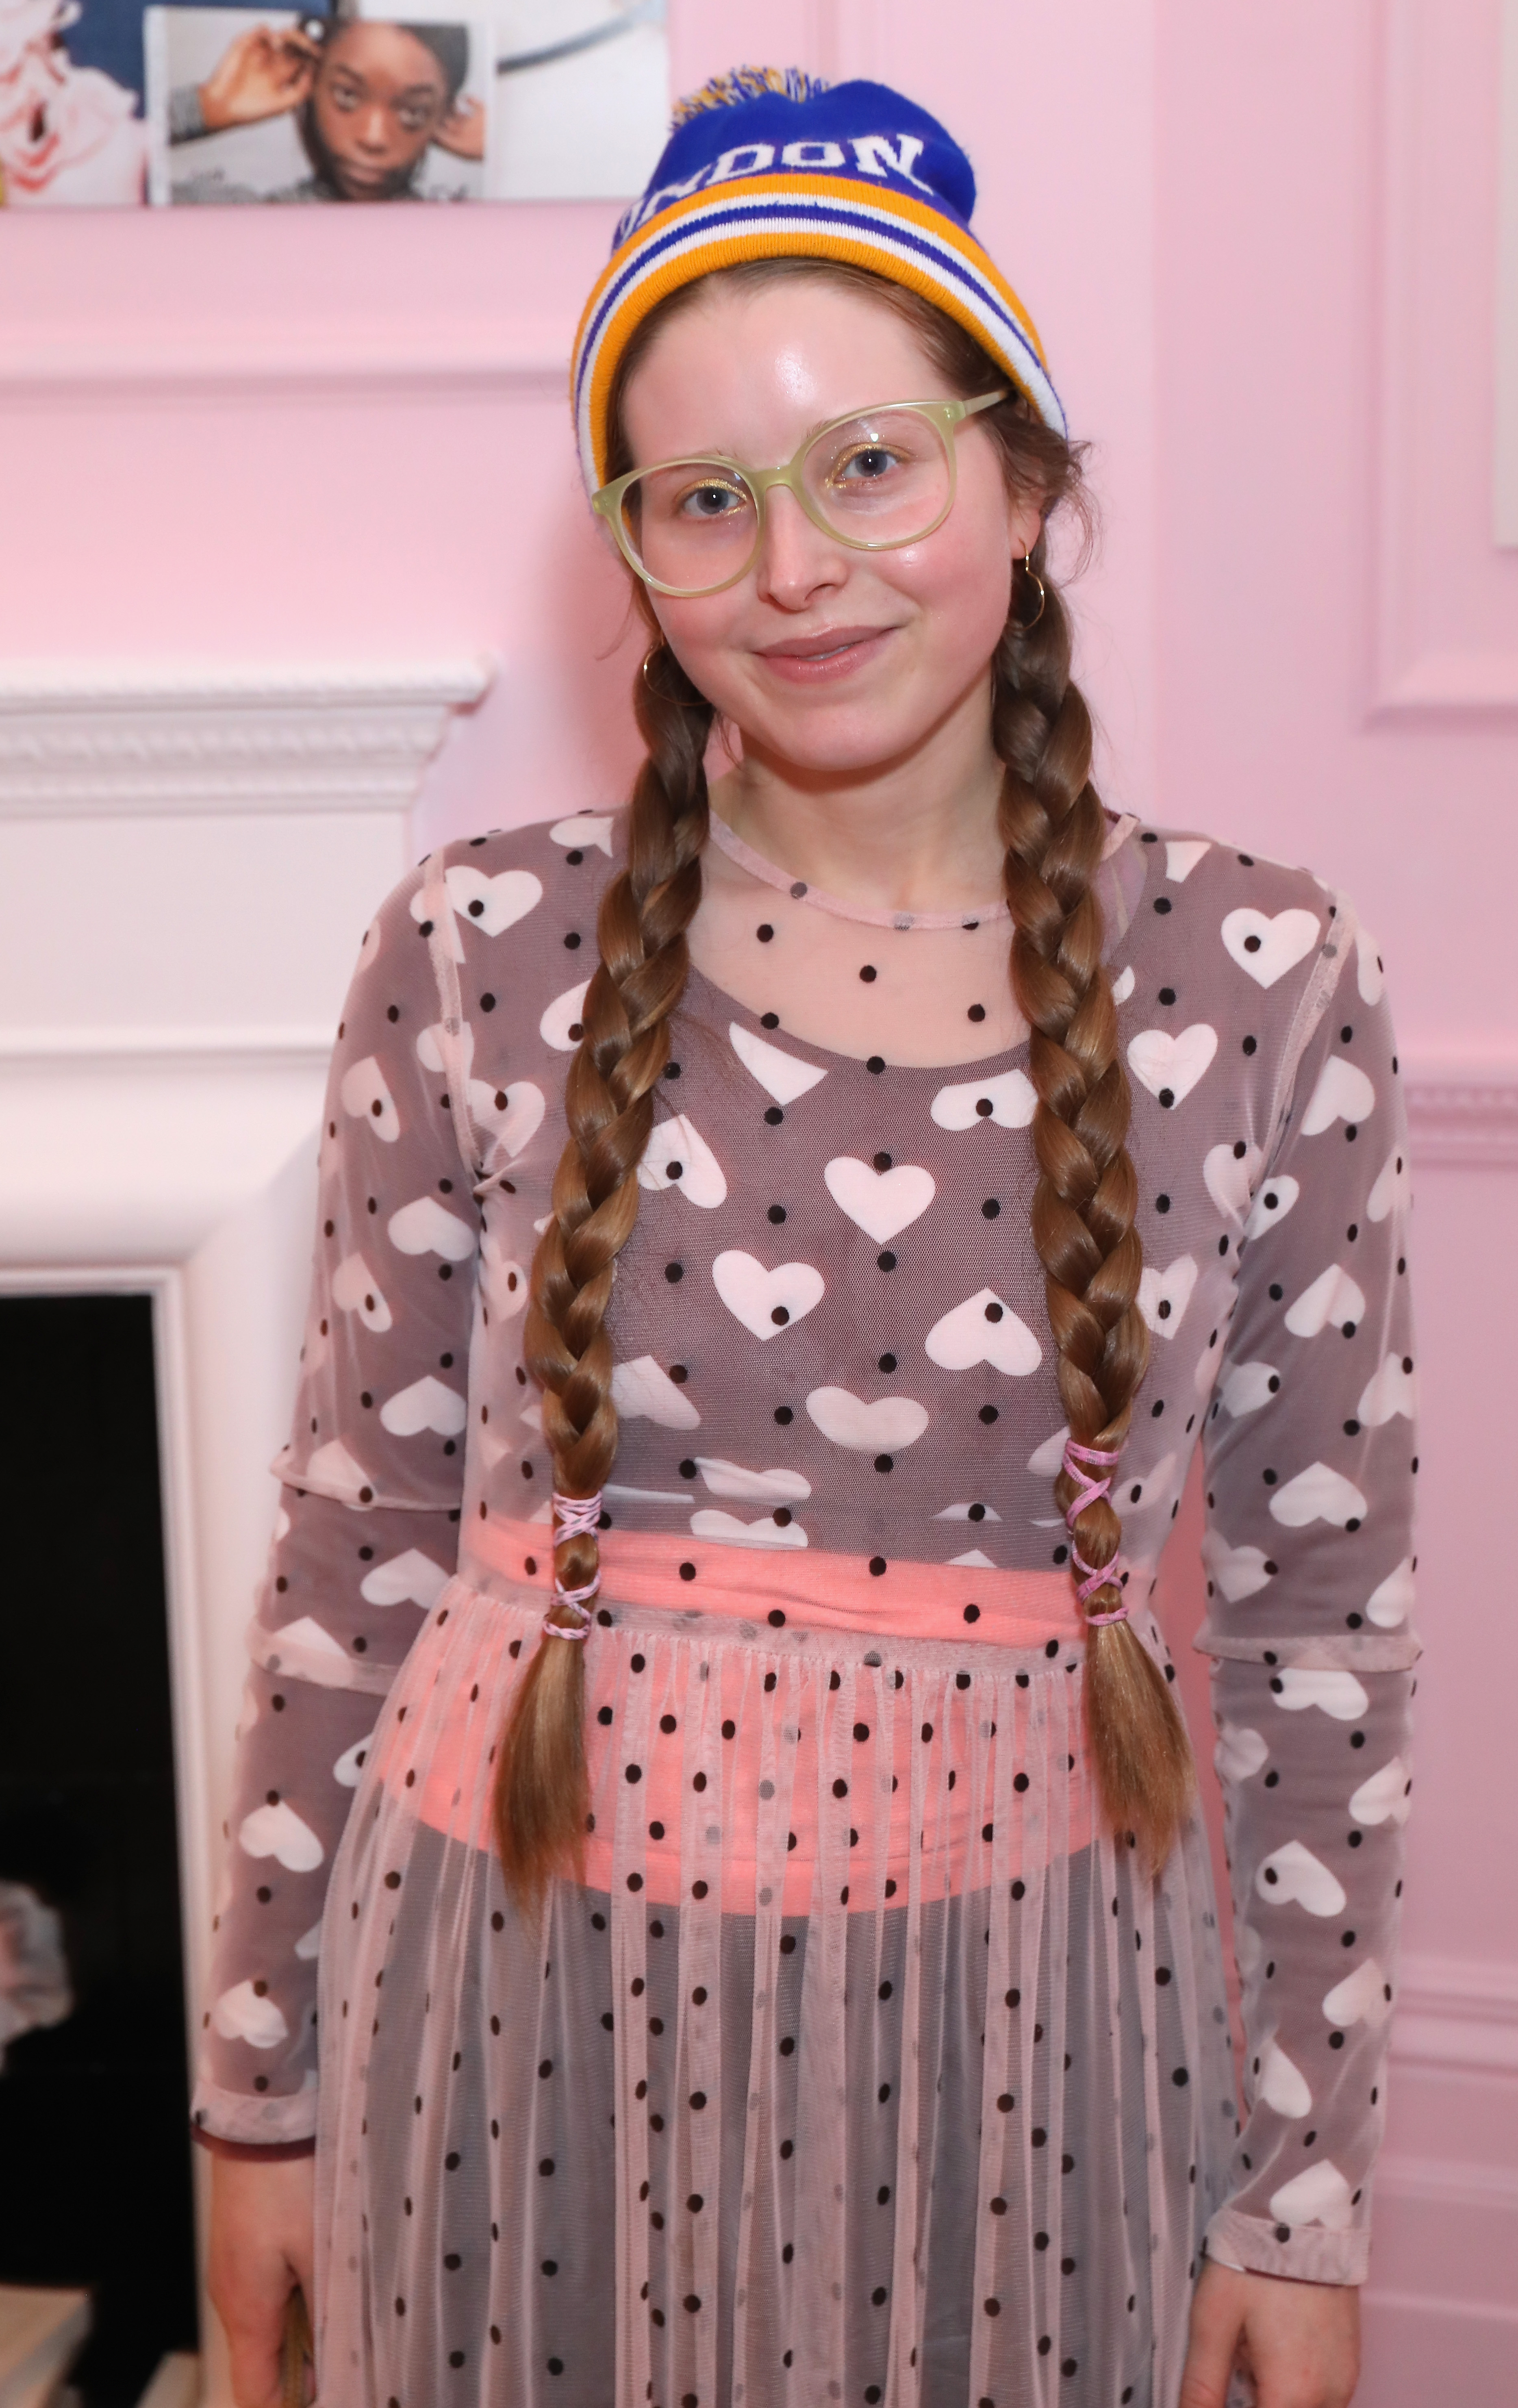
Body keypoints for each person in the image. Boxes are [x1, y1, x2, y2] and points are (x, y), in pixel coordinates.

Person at [196, 65, 1420, 2408]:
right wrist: (258, 2093)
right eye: (705, 500)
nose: (793, 568)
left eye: (871, 462)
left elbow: (1318, 1636)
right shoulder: (478, 949)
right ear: (636, 560)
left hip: (1029, 2056)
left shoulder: (1258, 979)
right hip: (510, 2026)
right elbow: (355, 1543)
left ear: (1025, 479)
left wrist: (1297, 2194)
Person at [167, 13, 482, 204]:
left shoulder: (466, 229)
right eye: (347, 95)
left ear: (444, 114)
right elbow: (136, 198)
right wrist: (205, 106)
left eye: (413, 112)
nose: (373, 138)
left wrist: (499, 146)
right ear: (311, 86)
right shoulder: (248, 216)